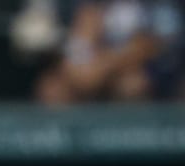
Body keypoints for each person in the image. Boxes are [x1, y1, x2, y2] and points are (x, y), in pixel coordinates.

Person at [35, 0, 183, 104]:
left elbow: (149, 46)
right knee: (53, 90)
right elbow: (78, 51)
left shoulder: (152, 5)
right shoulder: (90, 6)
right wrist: (85, 69)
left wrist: (102, 67)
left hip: (146, 71)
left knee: (131, 86)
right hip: (95, 70)